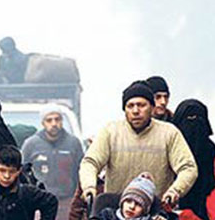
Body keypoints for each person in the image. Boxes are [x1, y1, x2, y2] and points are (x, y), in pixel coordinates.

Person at [79, 80, 197, 211]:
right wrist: (89, 187)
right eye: (130, 106)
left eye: (141, 105)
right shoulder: (110, 132)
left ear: (152, 107)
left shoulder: (169, 133)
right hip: (116, 211)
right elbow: (90, 162)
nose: (135, 111)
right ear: (124, 109)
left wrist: (175, 190)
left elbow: (188, 167)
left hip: (156, 211)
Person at [171, 99, 215, 220]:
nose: (193, 123)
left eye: (197, 118)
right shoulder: (171, 146)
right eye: (188, 118)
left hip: (204, 206)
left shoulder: (209, 148)